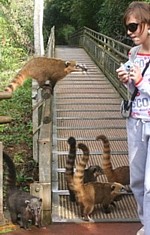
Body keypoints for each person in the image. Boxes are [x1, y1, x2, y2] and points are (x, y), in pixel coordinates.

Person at [116, 2, 150, 235]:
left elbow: (143, 85)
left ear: (148, 25)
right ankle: (147, 224)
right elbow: (134, 92)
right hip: (135, 122)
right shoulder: (133, 53)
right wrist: (127, 81)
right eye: (128, 27)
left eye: (133, 26)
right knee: (137, 182)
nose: (129, 32)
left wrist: (140, 82)